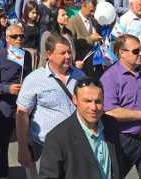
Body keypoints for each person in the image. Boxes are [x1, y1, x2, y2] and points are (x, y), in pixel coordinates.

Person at [16, 34, 86, 179]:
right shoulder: (35, 79)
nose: (68, 56)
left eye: (69, 52)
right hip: (46, 148)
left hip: (77, 147)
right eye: (62, 53)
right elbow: (22, 113)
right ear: (49, 55)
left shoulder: (80, 77)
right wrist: (23, 148)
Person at [39, 77, 122, 179]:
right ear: (75, 100)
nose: (93, 107)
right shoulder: (57, 138)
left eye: (98, 101)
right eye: (87, 101)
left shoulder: (111, 124)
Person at [100, 34, 141, 179]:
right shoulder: (110, 77)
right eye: (136, 51)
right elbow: (109, 111)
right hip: (123, 139)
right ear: (122, 53)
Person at [0, 24, 32, 179]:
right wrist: (7, 88)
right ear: (7, 38)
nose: (19, 39)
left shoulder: (27, 55)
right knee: (2, 144)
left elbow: (29, 77)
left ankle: (31, 171)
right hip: (5, 107)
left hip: (23, 106)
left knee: (26, 140)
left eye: (21, 36)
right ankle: (1, 174)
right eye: (14, 36)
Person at [67, 0, 103, 78]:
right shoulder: (73, 21)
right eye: (90, 11)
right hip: (80, 65)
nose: (92, 14)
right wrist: (90, 39)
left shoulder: (94, 21)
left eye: (94, 11)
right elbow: (70, 44)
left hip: (94, 65)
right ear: (83, 6)